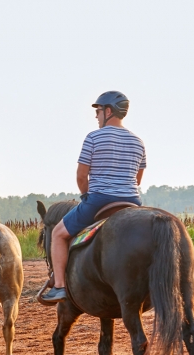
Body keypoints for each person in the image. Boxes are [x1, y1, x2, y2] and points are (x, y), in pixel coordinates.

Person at [42, 91, 145, 302]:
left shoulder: (93, 137)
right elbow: (138, 179)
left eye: (98, 111)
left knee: (58, 234)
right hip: (132, 201)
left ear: (108, 111)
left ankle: (60, 286)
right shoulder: (138, 142)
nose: (96, 116)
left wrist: (87, 195)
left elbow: (81, 176)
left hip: (100, 200)